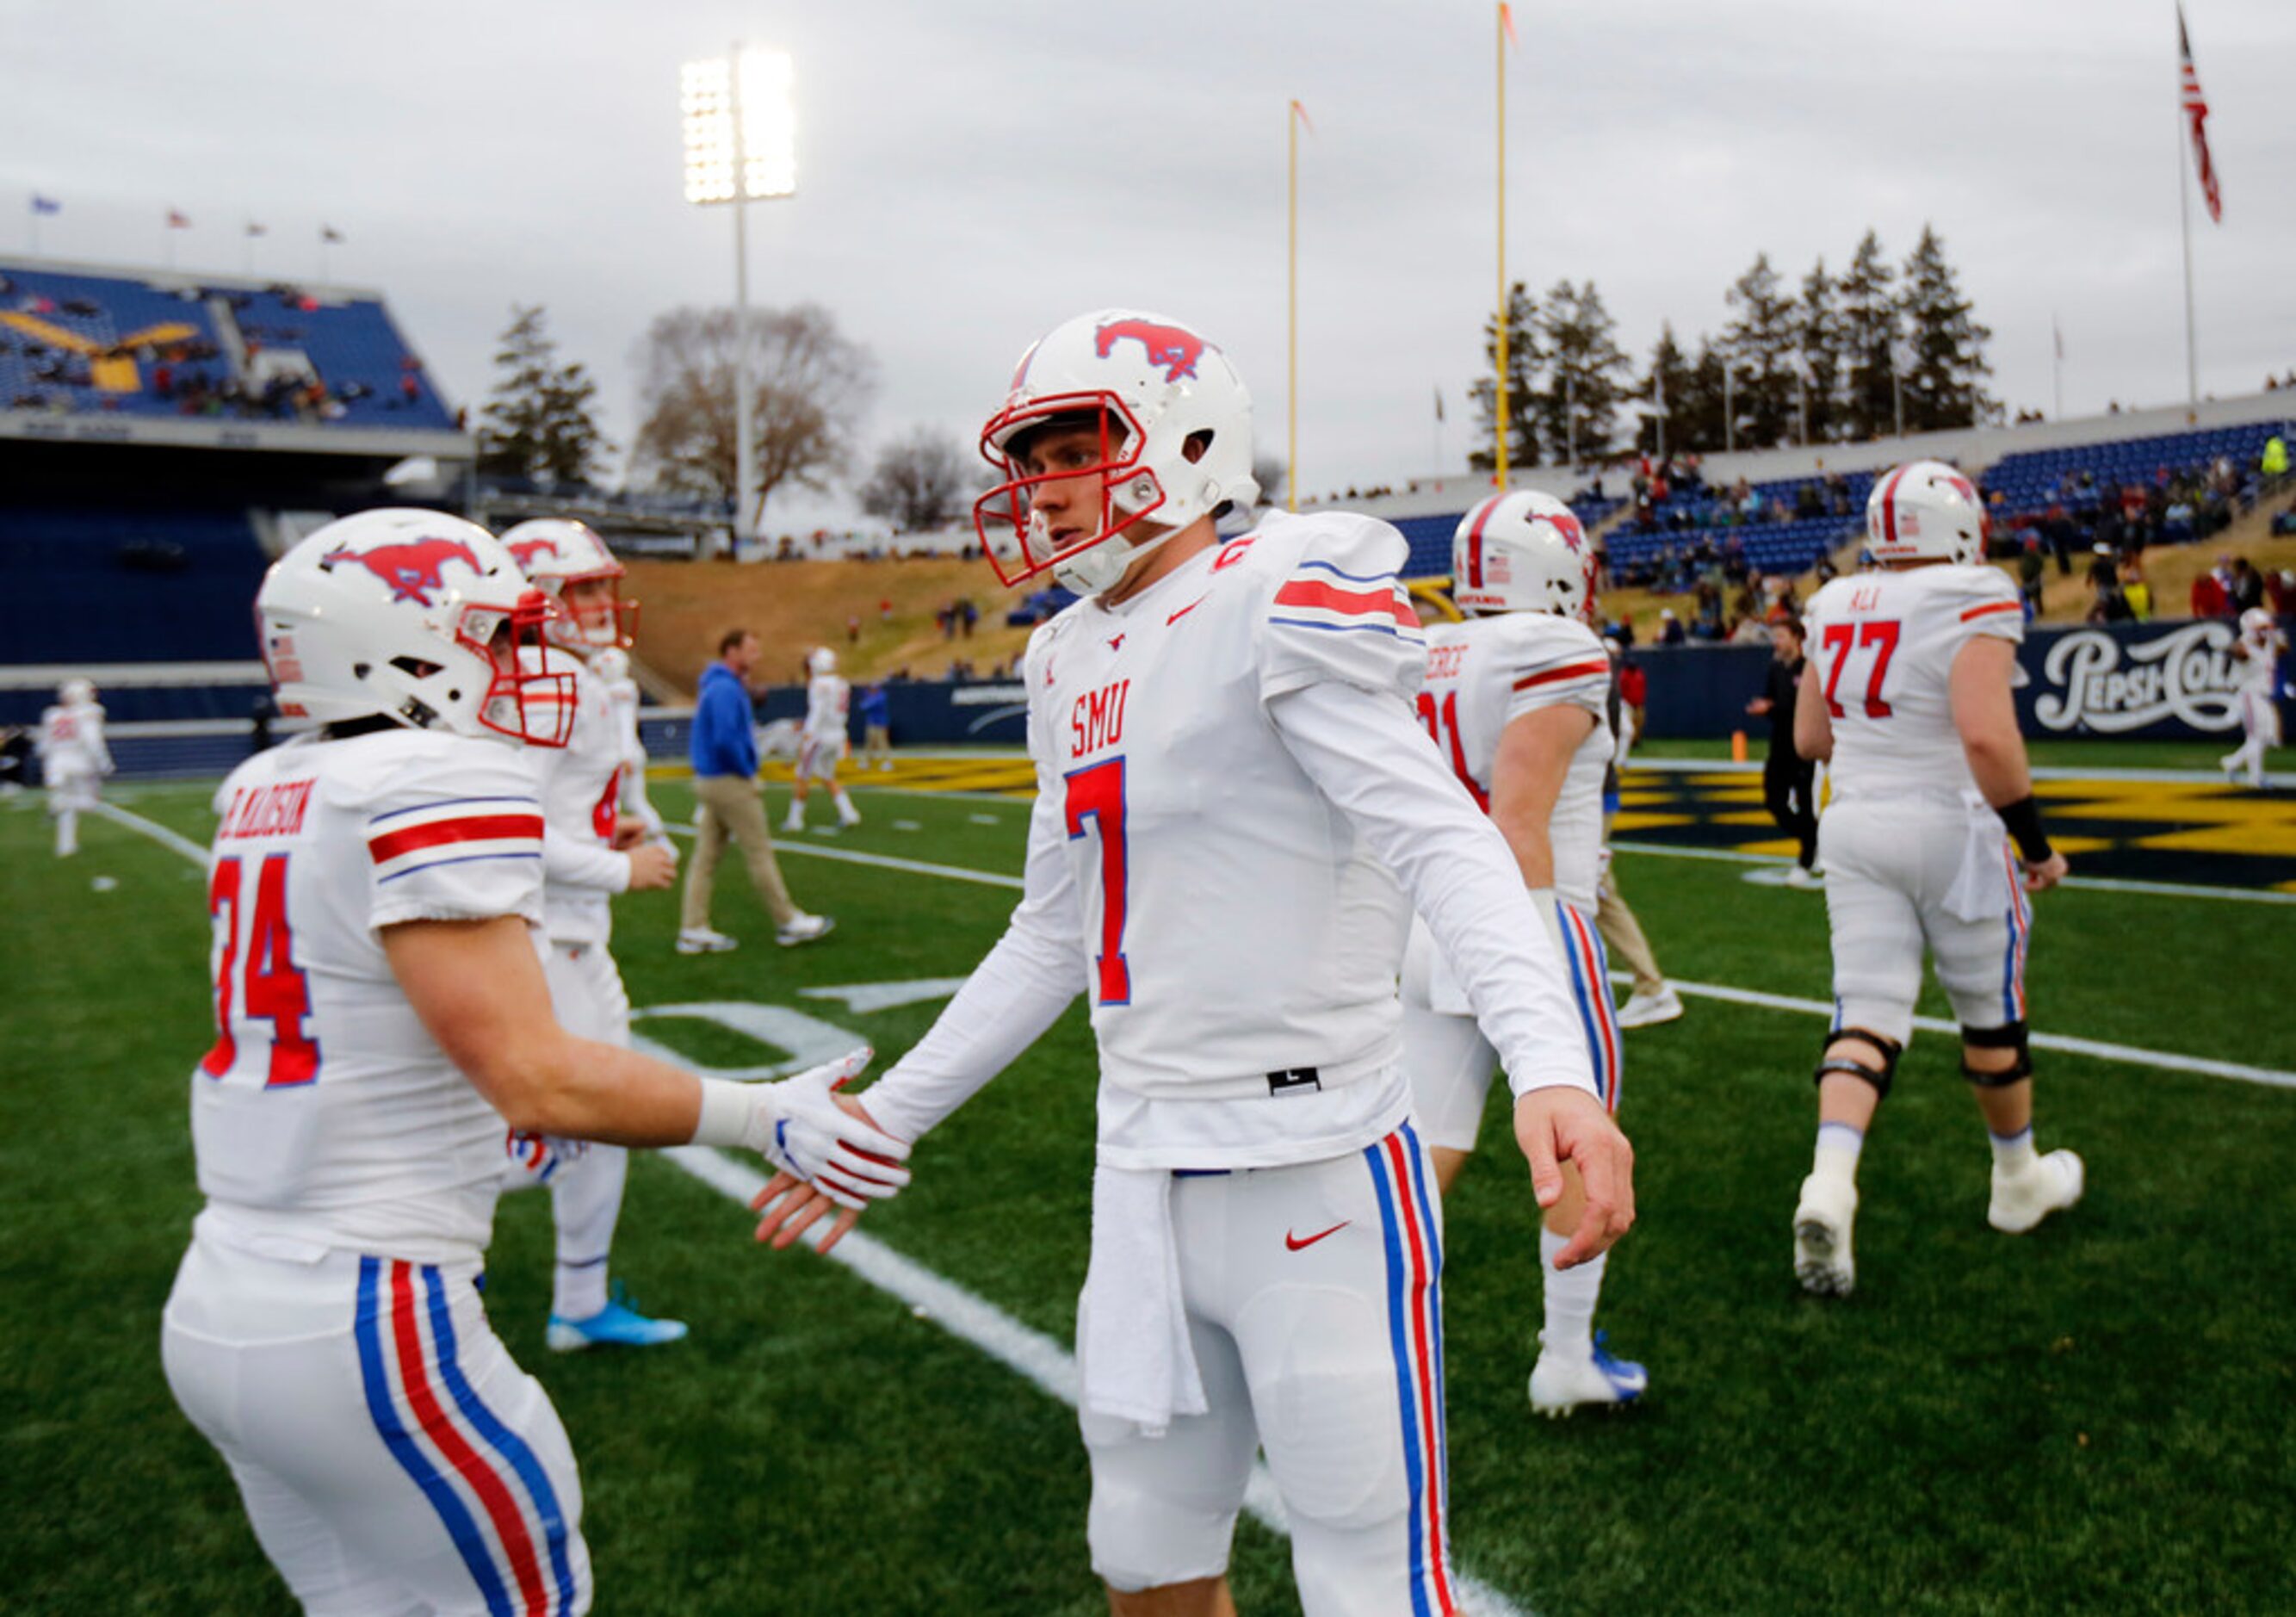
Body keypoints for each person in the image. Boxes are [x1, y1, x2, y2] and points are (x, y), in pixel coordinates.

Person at [757, 309, 1636, 1616]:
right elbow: (1050, 928)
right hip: (1139, 1172)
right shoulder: (1065, 653)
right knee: (1144, 1570)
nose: (1044, 487)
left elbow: (1447, 841)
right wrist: (890, 1115)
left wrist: (1550, 1065)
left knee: (1365, 1584)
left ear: (1189, 440)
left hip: (1319, 1168)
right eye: (1031, 457)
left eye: (1075, 446)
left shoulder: (1278, 591)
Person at [161, 510, 909, 1615]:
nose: (527, 657)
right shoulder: (425, 777)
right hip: (369, 1314)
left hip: (220, 1292)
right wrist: (763, 1116)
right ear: (405, 651)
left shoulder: (273, 785)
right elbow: (537, 1077)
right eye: (499, 634)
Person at [1790, 461, 2084, 1298]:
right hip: (1951, 824)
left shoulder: (1836, 598)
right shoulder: (1973, 592)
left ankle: (1829, 1183)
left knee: (1867, 1010)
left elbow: (1812, 736)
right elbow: (1988, 739)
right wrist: (2035, 844)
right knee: (1989, 1014)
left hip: (1855, 822)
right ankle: (2017, 1181)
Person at [1403, 489, 1647, 1416]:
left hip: (1428, 924)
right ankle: (1566, 1358)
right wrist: (1532, 958)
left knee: (1426, 1142)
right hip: (1527, 922)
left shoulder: (1433, 648)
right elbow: (1518, 817)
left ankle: (1345, 1321)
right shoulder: (1557, 648)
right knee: (1584, 1142)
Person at [500, 518, 687, 1350]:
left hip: (565, 932)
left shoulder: (564, 676)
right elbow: (511, 826)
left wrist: (626, 830)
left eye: (603, 584)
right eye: (582, 588)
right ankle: (406, 1243)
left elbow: (559, 809)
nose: (603, 603)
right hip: (545, 937)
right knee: (559, 1126)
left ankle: (577, 1302)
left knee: (595, 1123)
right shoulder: (551, 681)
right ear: (535, 598)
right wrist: (621, 869)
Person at [675, 628, 832, 954]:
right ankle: (787, 920)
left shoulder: (721, 686)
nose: (756, 657)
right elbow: (726, 738)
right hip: (728, 779)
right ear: (731, 651)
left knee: (706, 857)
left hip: (714, 777)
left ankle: (692, 928)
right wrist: (747, 769)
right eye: (750, 650)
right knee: (758, 852)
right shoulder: (723, 688)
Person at [1596, 641, 1683, 1028]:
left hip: (1585, 794)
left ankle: (1652, 986)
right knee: (1593, 891)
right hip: (1586, 792)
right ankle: (1651, 986)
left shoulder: (1585, 661)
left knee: (1594, 891)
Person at [1746, 619, 1819, 885]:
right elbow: (1773, 700)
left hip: (1802, 746)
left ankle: (1806, 858)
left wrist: (1772, 709)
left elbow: (1802, 709)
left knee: (1805, 801)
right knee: (1773, 800)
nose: (1776, 642)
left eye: (1781, 636)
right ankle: (1813, 838)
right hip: (1779, 745)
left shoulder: (1809, 668)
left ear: (1797, 639)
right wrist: (1765, 707)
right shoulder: (1776, 667)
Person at [785, 646, 860, 832]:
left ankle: (795, 819)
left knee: (802, 774)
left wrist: (807, 736)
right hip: (838, 733)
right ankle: (849, 812)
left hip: (820, 736)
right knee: (827, 775)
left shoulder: (818, 684)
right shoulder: (842, 683)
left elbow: (817, 712)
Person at [37, 676, 110, 857]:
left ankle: (65, 845)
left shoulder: (52, 714)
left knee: (67, 805)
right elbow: (93, 741)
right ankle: (62, 811)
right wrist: (104, 763)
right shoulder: (90, 712)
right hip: (80, 762)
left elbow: (44, 745)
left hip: (56, 764)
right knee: (89, 804)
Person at [2222, 604, 2287, 789]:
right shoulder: (2244, 645)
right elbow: (2236, 651)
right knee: (2256, 736)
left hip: (2264, 696)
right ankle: (2255, 777)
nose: (2265, 631)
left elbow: (2284, 648)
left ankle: (2232, 763)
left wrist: (2272, 637)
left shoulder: (2271, 643)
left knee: (2268, 736)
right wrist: (2248, 641)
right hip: (2249, 696)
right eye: (2261, 628)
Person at [857, 680, 893, 771]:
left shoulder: (881, 696)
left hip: (881, 723)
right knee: (869, 743)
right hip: (871, 723)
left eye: (874, 689)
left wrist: (866, 697)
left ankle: (887, 762)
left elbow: (865, 705)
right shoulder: (871, 695)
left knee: (882, 743)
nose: (872, 690)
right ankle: (866, 762)